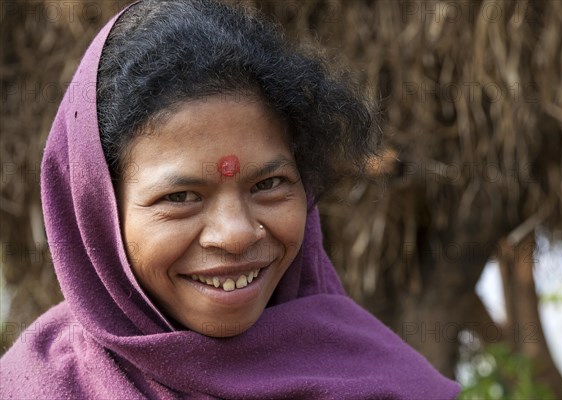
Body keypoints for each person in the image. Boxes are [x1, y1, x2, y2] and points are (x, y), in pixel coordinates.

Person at [0, 0, 460, 398]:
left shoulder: (388, 387)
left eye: (268, 185)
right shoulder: (30, 387)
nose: (237, 233)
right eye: (180, 196)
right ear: (98, 215)